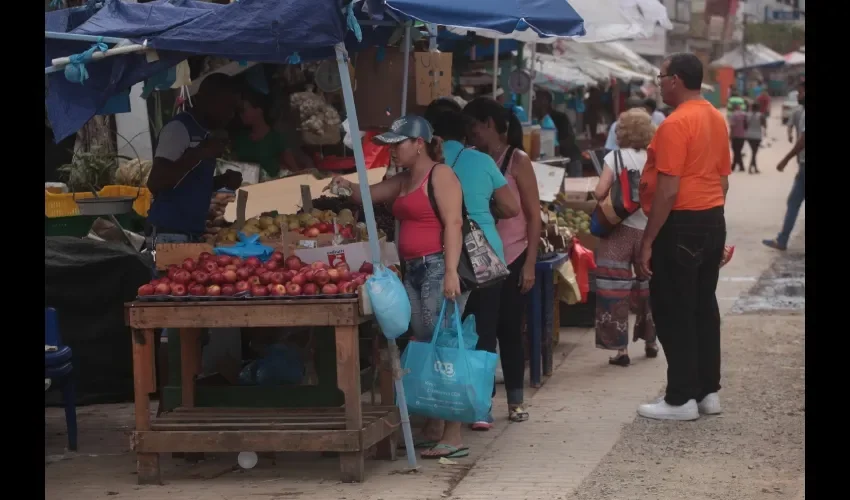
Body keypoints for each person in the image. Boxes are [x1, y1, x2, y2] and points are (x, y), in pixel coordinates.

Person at [325, 115, 469, 459]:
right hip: (413, 270)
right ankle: (434, 426)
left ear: (418, 144)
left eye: (397, 144)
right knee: (423, 342)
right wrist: (342, 184)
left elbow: (454, 222)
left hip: (436, 267)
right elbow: (365, 197)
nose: (391, 152)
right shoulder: (404, 179)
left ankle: (455, 432)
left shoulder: (441, 175)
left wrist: (451, 271)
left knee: (443, 346)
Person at [636, 53, 731, 421]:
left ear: (675, 80)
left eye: (661, 77)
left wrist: (648, 240)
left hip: (680, 223)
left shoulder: (675, 124)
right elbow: (722, 179)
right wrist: (714, 226)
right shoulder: (714, 118)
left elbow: (668, 189)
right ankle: (707, 391)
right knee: (702, 307)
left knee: (674, 309)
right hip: (710, 217)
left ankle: (680, 399)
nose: (658, 83)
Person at [464, 97, 542, 424]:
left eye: (474, 126)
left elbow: (534, 215)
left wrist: (529, 265)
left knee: (509, 329)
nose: (470, 133)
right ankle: (482, 402)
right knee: (482, 329)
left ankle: (515, 401)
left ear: (490, 125)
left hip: (513, 254)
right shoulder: (472, 159)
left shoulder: (517, 160)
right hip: (479, 258)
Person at [593, 108, 657, 366]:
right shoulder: (655, 158)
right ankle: (652, 341)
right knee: (647, 286)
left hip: (618, 230)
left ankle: (621, 350)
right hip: (648, 230)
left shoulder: (615, 158)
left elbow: (600, 192)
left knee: (614, 288)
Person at [147, 73, 243, 244]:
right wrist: (201, 152)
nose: (231, 115)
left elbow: (188, 183)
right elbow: (156, 182)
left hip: (189, 234)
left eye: (234, 109)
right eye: (227, 107)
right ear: (204, 99)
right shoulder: (178, 129)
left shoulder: (203, 132)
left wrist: (222, 181)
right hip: (170, 235)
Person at [763, 81, 805, 251]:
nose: (798, 96)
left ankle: (782, 240)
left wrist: (785, 159)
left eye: (800, 92)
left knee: (793, 202)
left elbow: (803, 140)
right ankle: (782, 239)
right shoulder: (799, 112)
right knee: (793, 201)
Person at [230, 89, 305, 181]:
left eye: (244, 110)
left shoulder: (276, 139)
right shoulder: (240, 139)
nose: (241, 115)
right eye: (239, 112)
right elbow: (232, 166)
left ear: (259, 110)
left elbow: (294, 170)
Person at [744, 101, 767, 174]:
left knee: (754, 152)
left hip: (749, 136)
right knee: (754, 152)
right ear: (758, 108)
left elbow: (745, 126)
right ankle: (750, 168)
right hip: (757, 136)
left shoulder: (747, 115)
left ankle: (755, 168)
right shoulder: (761, 116)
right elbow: (764, 125)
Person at [727, 102, 748, 173]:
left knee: (736, 151)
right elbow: (747, 125)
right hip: (743, 136)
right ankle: (738, 166)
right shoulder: (744, 115)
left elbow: (732, 126)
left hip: (735, 136)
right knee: (738, 151)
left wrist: (730, 135)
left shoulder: (733, 115)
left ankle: (734, 166)